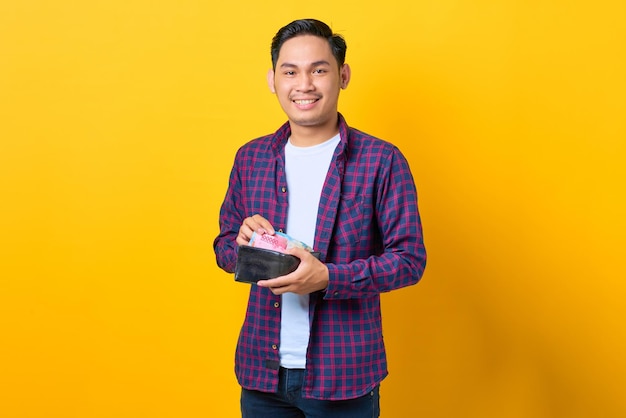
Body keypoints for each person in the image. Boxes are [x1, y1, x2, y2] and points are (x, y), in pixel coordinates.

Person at [214, 18, 426, 418]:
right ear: (273, 80)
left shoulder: (381, 161)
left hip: (343, 376)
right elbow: (224, 247)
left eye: (319, 69)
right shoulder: (251, 158)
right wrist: (241, 244)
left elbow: (410, 260)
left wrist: (329, 278)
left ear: (342, 75)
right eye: (290, 71)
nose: (304, 84)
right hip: (261, 374)